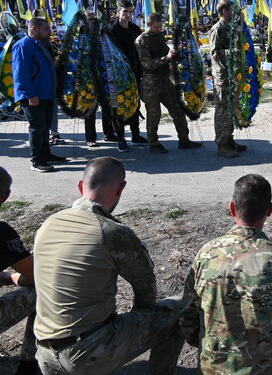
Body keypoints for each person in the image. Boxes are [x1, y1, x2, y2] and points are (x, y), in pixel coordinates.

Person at [33, 157, 185, 375]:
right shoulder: (111, 232)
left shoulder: (48, 223)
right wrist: (140, 317)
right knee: (177, 311)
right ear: (121, 188)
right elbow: (145, 287)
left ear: (80, 186)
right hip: (86, 353)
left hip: (44, 353)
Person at [180, 174, 272, 375]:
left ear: (232, 208)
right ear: (269, 210)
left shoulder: (206, 253)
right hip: (269, 369)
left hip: (213, 368)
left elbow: (187, 313)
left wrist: (205, 344)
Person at [135, 13, 203, 153]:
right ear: (148, 25)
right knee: (154, 114)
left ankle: (184, 140)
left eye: (160, 27)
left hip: (165, 80)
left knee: (178, 109)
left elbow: (167, 53)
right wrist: (166, 58)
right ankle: (153, 143)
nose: (159, 29)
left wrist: (175, 54)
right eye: (156, 27)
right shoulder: (142, 40)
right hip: (150, 83)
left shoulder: (160, 36)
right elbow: (147, 63)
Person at [12, 17, 67, 172]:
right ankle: (37, 160)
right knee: (37, 127)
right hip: (33, 95)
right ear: (34, 29)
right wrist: (30, 94)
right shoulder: (23, 46)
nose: (50, 31)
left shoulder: (43, 44)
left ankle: (45, 154)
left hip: (46, 93)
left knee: (45, 126)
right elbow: (21, 73)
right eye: (46, 29)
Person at [0, 167, 38, 375]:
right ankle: (29, 365)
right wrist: (9, 277)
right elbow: (35, 276)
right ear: (6, 196)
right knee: (43, 291)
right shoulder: (2, 233)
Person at [208, 0, 248, 158]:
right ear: (224, 11)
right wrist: (234, 51)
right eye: (232, 10)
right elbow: (215, 53)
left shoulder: (230, 27)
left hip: (232, 75)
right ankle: (222, 144)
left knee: (231, 108)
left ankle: (229, 139)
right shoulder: (217, 29)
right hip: (222, 76)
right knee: (222, 110)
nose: (234, 12)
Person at [106, 0, 147, 150]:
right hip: (117, 74)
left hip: (134, 72)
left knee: (134, 103)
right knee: (118, 106)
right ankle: (121, 138)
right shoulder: (111, 29)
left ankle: (136, 135)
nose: (128, 15)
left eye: (130, 12)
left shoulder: (134, 29)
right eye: (125, 11)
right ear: (118, 12)